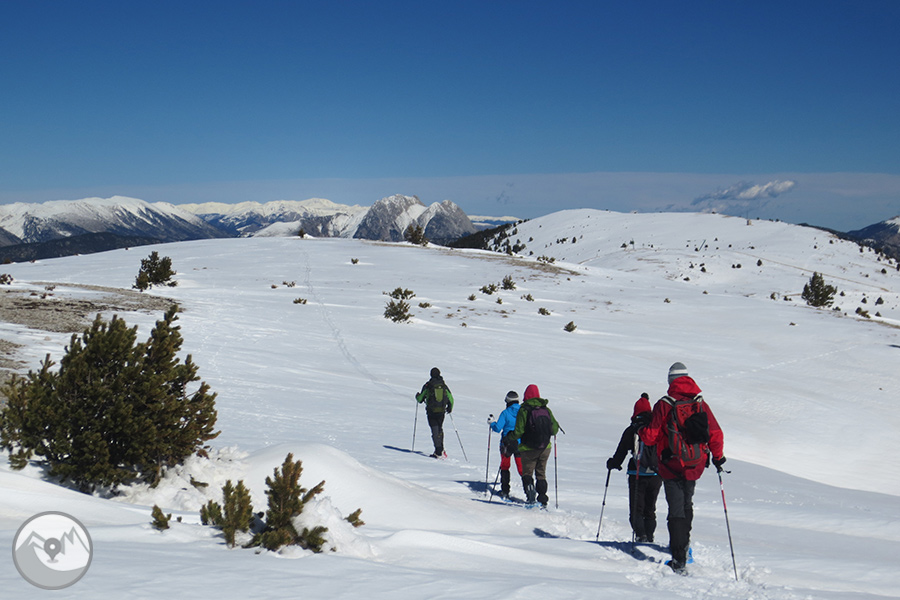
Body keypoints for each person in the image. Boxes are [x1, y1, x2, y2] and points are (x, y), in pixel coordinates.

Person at [639, 362, 725, 574]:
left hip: (671, 465)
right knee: (687, 504)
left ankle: (678, 559)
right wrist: (718, 457)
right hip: (695, 464)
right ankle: (684, 548)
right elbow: (715, 432)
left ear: (670, 381)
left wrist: (640, 429)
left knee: (675, 509)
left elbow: (651, 436)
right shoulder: (700, 403)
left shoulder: (665, 404)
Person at [606, 393, 662, 543]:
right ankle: (649, 537)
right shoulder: (656, 429)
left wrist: (613, 463)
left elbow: (621, 453)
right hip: (656, 474)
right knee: (650, 509)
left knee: (636, 509)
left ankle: (640, 535)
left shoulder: (631, 430)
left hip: (636, 473)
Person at [504, 384, 559, 507]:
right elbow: (554, 429)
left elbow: (518, 431)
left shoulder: (524, 410)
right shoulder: (546, 409)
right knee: (541, 473)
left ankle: (531, 497)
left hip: (528, 448)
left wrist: (509, 438)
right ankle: (543, 499)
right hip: (545, 447)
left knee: (527, 473)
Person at [489, 391, 523, 499]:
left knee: (505, 467)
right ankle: (530, 491)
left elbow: (498, 428)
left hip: (506, 444)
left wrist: (492, 423)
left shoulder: (505, 413)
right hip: (520, 444)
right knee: (522, 469)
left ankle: (505, 491)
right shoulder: (523, 412)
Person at [416, 367, 454, 458]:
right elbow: (451, 399)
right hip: (441, 411)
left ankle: (438, 451)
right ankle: (441, 448)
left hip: (431, 411)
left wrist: (417, 396)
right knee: (440, 428)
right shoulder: (443, 385)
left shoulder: (428, 385)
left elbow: (420, 399)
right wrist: (449, 408)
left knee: (435, 430)